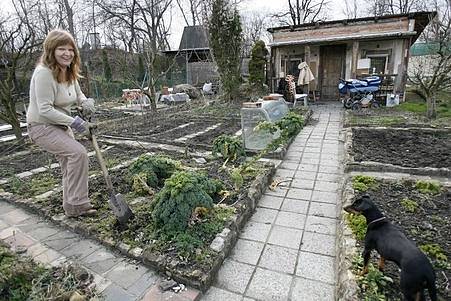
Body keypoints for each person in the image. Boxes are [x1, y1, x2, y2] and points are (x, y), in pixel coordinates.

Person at [26, 29, 97, 217]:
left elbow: (78, 93)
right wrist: (76, 123)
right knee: (78, 153)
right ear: (51, 50)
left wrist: (85, 102)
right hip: (41, 126)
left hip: (61, 125)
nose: (67, 53)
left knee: (69, 163)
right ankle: (79, 203)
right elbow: (45, 109)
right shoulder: (44, 73)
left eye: (70, 49)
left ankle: (72, 207)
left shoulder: (68, 70)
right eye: (61, 49)